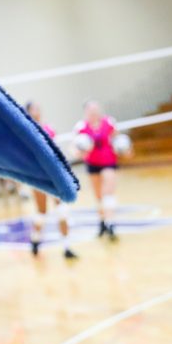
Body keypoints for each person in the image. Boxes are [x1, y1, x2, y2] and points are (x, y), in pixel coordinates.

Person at [25, 102, 77, 259]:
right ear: (27, 113)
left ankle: (67, 247)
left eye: (37, 109)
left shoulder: (49, 129)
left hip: (54, 174)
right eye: (33, 109)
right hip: (38, 176)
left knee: (62, 210)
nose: (36, 112)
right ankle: (35, 240)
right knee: (42, 212)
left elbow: (57, 152)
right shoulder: (25, 131)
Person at [75, 101, 122, 241]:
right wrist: (80, 153)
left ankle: (111, 223)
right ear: (86, 112)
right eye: (91, 110)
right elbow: (75, 148)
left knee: (108, 192)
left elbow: (117, 139)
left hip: (109, 161)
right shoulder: (81, 127)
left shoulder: (109, 122)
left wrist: (123, 149)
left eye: (96, 109)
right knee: (99, 196)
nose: (94, 112)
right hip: (92, 163)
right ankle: (102, 222)